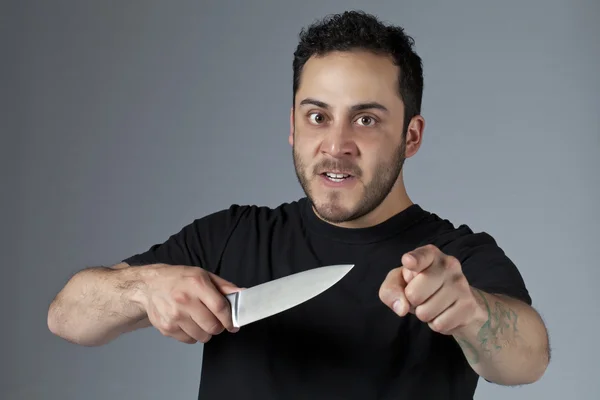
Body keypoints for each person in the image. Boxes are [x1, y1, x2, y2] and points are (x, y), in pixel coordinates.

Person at [47, 10, 550, 399]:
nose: (336, 144)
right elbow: (67, 317)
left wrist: (469, 313)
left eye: (367, 120)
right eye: (317, 116)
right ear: (292, 126)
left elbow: (529, 358)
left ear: (411, 136)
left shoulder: (454, 257)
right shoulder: (232, 236)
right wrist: (144, 287)